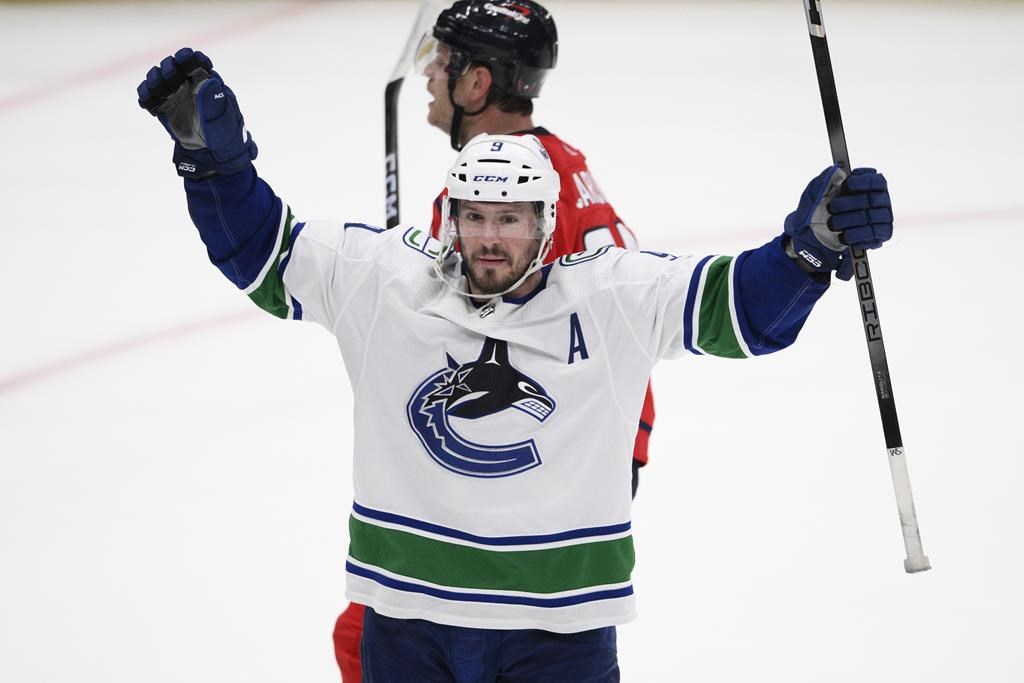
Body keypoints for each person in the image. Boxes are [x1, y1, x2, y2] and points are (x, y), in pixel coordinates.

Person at [138, 47, 893, 682]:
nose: (489, 237)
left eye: (511, 219)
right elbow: (262, 254)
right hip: (408, 620)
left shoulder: (609, 294)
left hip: (557, 633)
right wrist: (213, 166)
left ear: (547, 221)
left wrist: (808, 250)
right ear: (452, 214)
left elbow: (742, 312)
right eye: (474, 216)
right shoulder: (386, 281)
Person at [335, 3, 657, 679]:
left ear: (476, 84)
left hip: (538, 462)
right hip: (577, 450)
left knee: (373, 629)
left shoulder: (509, 199)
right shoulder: (553, 169)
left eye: (443, 60)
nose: (428, 75)